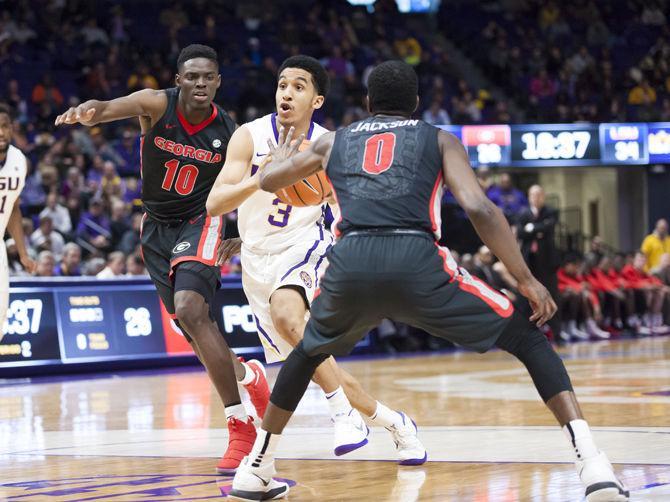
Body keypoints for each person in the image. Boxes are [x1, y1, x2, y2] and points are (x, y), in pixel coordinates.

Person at [229, 61, 628, 502]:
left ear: (367, 104)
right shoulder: (438, 138)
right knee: (529, 340)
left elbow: (268, 179)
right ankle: (593, 465)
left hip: (351, 263)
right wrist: (527, 280)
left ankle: (257, 469)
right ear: (416, 105)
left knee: (307, 352)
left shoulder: (333, 141)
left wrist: (279, 161)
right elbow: (480, 209)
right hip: (415, 258)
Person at [55, 44, 270, 473]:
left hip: (200, 221)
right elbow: (111, 106)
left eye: (208, 76)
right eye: (192, 76)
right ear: (178, 81)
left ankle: (239, 423)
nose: (200, 83)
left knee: (192, 310)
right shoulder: (157, 105)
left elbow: (247, 187)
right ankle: (249, 376)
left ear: (218, 81)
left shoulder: (230, 132)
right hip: (154, 227)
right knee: (192, 329)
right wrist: (90, 111)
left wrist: (240, 234)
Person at [207, 55, 425, 466]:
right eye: (282, 84)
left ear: (317, 100)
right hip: (257, 259)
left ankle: (342, 415)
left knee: (289, 314)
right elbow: (215, 203)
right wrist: (262, 179)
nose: (286, 92)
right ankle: (394, 423)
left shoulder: (332, 146)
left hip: (306, 245)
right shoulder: (249, 137)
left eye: (298, 86)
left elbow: (355, 204)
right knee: (316, 364)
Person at [0, 103, 37, 341]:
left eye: (4, 126)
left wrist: (23, 254)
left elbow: (13, 206)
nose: (0, 133)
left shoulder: (18, 160)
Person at [516, 185, 562, 339]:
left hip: (547, 262)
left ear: (543, 196)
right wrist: (538, 230)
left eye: (539, 195)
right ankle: (527, 331)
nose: (536, 198)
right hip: (529, 261)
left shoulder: (551, 211)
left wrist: (532, 228)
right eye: (533, 195)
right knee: (526, 295)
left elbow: (549, 228)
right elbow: (521, 233)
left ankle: (556, 331)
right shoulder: (523, 213)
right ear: (529, 197)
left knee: (552, 293)